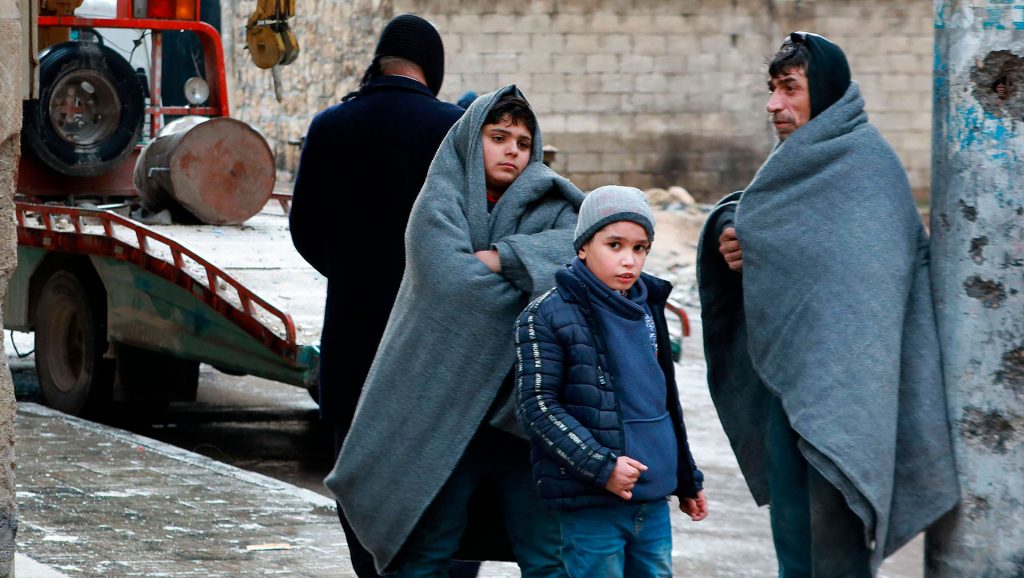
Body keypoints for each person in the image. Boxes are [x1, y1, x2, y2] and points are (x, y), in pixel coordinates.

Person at [696, 32, 959, 577]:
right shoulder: (791, 163)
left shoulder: (868, 168)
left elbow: (871, 284)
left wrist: (756, 239)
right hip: (786, 389)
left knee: (836, 552)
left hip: (847, 395)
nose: (774, 104)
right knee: (793, 539)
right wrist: (728, 228)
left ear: (828, 91)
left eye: (789, 88)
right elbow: (756, 216)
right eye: (772, 89)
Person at [325, 86, 585, 577]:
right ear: (472, 140)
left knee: (548, 556)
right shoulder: (438, 203)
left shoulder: (555, 203)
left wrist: (503, 257)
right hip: (441, 414)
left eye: (523, 142)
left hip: (522, 416)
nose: (512, 149)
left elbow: (580, 260)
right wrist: (529, 275)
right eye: (498, 136)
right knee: (427, 550)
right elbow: (450, 287)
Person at [288, 14, 464, 578]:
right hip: (433, 342)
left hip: (353, 336)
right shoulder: (452, 128)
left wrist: (353, 270)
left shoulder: (330, 125)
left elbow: (304, 230)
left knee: (357, 475)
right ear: (430, 69)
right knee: (437, 479)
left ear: (381, 59)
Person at [514, 186, 708, 578]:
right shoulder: (546, 316)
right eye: (614, 244)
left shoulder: (648, 308)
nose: (628, 260)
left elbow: (662, 402)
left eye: (640, 248)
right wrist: (603, 467)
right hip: (592, 501)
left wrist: (686, 478)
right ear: (583, 246)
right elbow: (537, 406)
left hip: (652, 500)